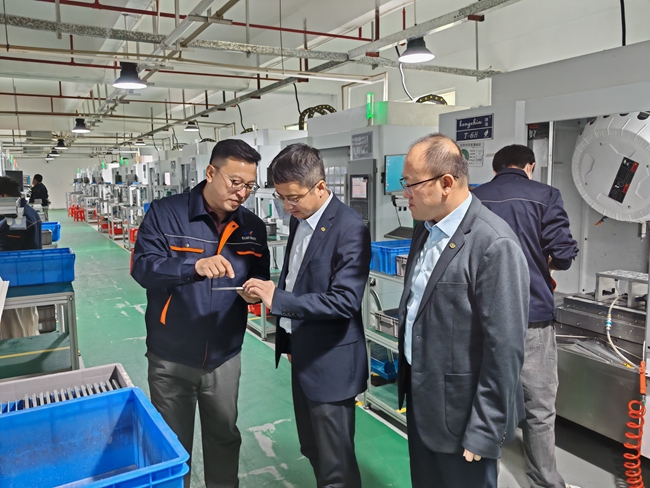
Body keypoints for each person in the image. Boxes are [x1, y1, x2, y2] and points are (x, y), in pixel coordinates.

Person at [131, 139, 270, 488]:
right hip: (171, 356)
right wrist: (192, 267)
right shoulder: (166, 213)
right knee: (172, 447)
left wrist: (255, 290)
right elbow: (143, 268)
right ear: (210, 172)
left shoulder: (252, 227)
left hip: (225, 356)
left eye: (249, 186)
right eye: (235, 182)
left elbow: (260, 276)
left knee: (224, 438)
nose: (242, 193)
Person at [397, 134, 529, 488]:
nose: (405, 194)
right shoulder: (425, 229)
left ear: (446, 183)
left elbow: (505, 349)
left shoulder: (493, 244)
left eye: (411, 184)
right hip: (425, 402)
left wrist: (485, 429)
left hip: (463, 417)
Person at [243, 143, 371, 488]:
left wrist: (278, 299)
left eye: (294, 197)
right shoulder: (300, 219)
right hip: (302, 353)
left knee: (335, 465)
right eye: (282, 197)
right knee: (312, 448)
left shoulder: (349, 228)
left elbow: (344, 301)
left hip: (331, 363)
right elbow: (297, 277)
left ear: (321, 187)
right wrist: (286, 332)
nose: (287, 206)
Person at [472, 144, 580, 488]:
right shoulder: (546, 195)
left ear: (496, 169)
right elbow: (563, 254)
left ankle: (481, 471)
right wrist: (546, 262)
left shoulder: (475, 198)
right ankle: (544, 478)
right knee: (539, 405)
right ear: (529, 166)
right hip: (532, 313)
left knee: (483, 396)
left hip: (484, 316)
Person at [0, 176, 42, 339]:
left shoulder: (18, 217)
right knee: (26, 326)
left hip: (16, 281)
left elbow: (7, 251)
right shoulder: (22, 210)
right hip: (23, 277)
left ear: (4, 196)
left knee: (16, 332)